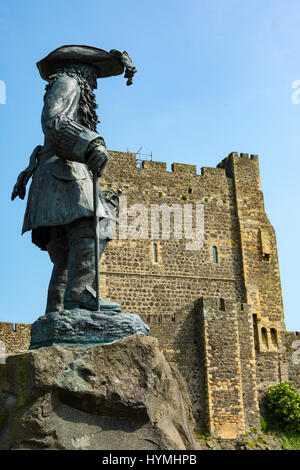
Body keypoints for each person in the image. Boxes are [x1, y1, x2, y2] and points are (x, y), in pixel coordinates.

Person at [11, 45, 136, 313]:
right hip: (62, 171)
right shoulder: (68, 84)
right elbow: (53, 121)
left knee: (66, 252)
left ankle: (58, 312)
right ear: (82, 70)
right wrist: (91, 144)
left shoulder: (71, 86)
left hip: (54, 174)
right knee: (98, 223)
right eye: (94, 75)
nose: (95, 83)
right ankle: (80, 295)